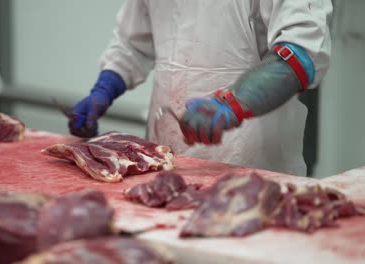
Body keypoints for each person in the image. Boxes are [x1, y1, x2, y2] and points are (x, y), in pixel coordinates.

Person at [68, 1, 332, 176]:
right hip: (164, 164)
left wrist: (233, 104)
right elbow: (131, 44)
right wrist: (104, 89)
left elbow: (303, 52)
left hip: (251, 169)